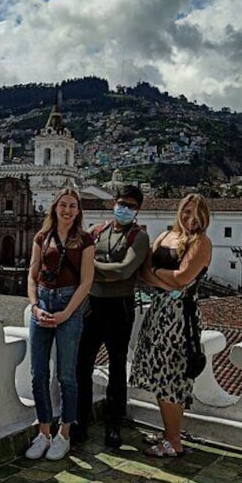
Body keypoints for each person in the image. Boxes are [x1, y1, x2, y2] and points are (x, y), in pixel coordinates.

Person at [130, 193, 212, 457]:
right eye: (186, 212)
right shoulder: (165, 237)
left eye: (197, 214)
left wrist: (160, 277)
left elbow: (183, 277)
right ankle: (169, 433)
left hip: (180, 318)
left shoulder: (201, 243)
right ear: (179, 211)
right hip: (159, 312)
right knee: (159, 374)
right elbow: (143, 272)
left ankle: (173, 442)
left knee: (172, 378)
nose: (191, 218)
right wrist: (168, 281)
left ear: (205, 218)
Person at [75, 184, 150, 447]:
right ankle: (79, 422)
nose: (124, 208)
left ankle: (113, 425)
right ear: (113, 203)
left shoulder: (138, 237)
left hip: (120, 307)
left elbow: (124, 271)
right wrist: (101, 270)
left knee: (117, 368)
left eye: (130, 205)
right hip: (91, 305)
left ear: (137, 209)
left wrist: (91, 266)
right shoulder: (98, 231)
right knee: (81, 366)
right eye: (121, 203)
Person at [25, 188, 95, 461]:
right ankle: (44, 432)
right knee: (38, 373)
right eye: (63, 205)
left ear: (78, 211)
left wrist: (67, 313)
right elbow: (32, 275)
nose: (67, 210)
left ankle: (64, 433)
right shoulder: (42, 237)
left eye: (72, 206)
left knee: (67, 375)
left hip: (69, 305)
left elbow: (86, 282)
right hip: (42, 303)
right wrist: (34, 306)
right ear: (54, 208)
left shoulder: (85, 240)